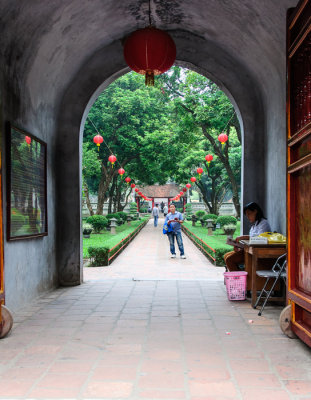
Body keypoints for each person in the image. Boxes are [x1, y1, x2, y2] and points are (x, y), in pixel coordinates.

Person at [224, 202, 271, 271]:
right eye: (246, 215)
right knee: (226, 256)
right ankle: (239, 276)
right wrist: (238, 245)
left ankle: (240, 280)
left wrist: (243, 237)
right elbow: (251, 239)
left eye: (249, 214)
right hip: (248, 250)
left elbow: (260, 239)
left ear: (255, 211)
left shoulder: (263, 223)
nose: (248, 217)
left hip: (256, 252)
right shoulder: (254, 225)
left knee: (229, 260)